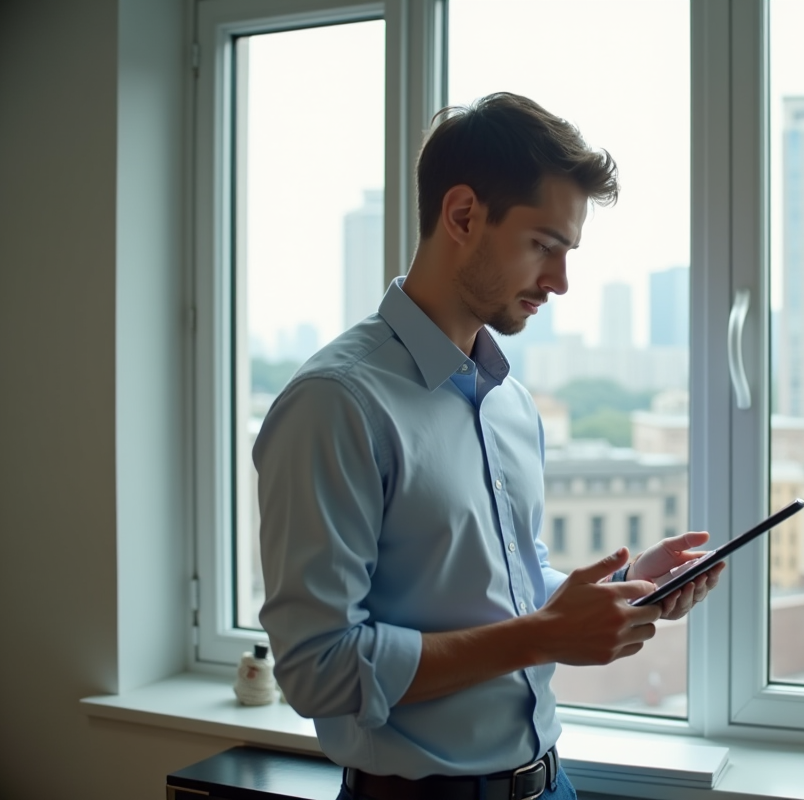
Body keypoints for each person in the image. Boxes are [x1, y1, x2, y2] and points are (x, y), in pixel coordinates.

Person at [254, 91, 724, 800]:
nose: (561, 282)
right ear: (464, 215)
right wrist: (542, 637)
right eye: (544, 246)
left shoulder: (511, 402)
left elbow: (500, 586)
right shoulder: (336, 403)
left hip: (549, 783)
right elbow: (317, 670)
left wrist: (622, 597)